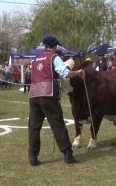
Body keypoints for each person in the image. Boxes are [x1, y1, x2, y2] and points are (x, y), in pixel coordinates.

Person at [28, 35, 84, 166]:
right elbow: (65, 73)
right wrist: (78, 72)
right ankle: (67, 155)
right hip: (47, 94)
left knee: (34, 127)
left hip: (33, 95)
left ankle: (32, 157)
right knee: (58, 125)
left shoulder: (35, 59)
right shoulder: (54, 57)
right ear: (55, 46)